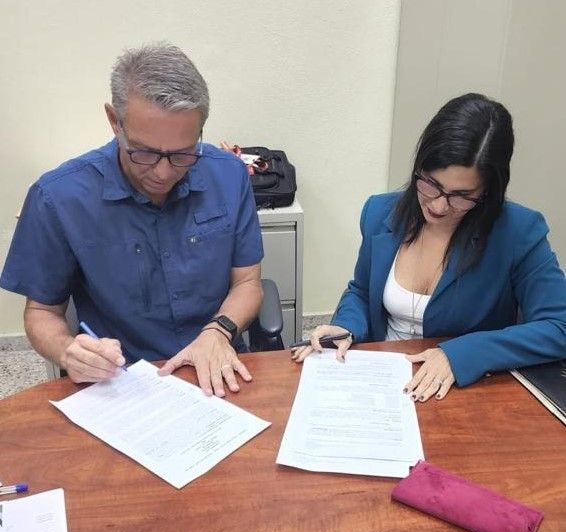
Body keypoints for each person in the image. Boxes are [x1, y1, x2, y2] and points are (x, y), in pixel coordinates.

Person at [0, 42, 264, 398]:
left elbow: (248, 283)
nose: (163, 172)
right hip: (122, 382)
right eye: (145, 153)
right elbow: (42, 311)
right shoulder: (59, 197)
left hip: (216, 366)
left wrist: (217, 333)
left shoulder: (229, 176)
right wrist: (67, 350)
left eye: (183, 154)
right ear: (114, 121)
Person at [292, 93, 566, 402]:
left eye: (461, 195)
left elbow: (559, 326)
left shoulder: (519, 232)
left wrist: (460, 354)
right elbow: (361, 289)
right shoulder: (379, 212)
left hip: (462, 391)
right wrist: (346, 326)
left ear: (488, 191)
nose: (437, 206)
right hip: (381, 381)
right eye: (431, 184)